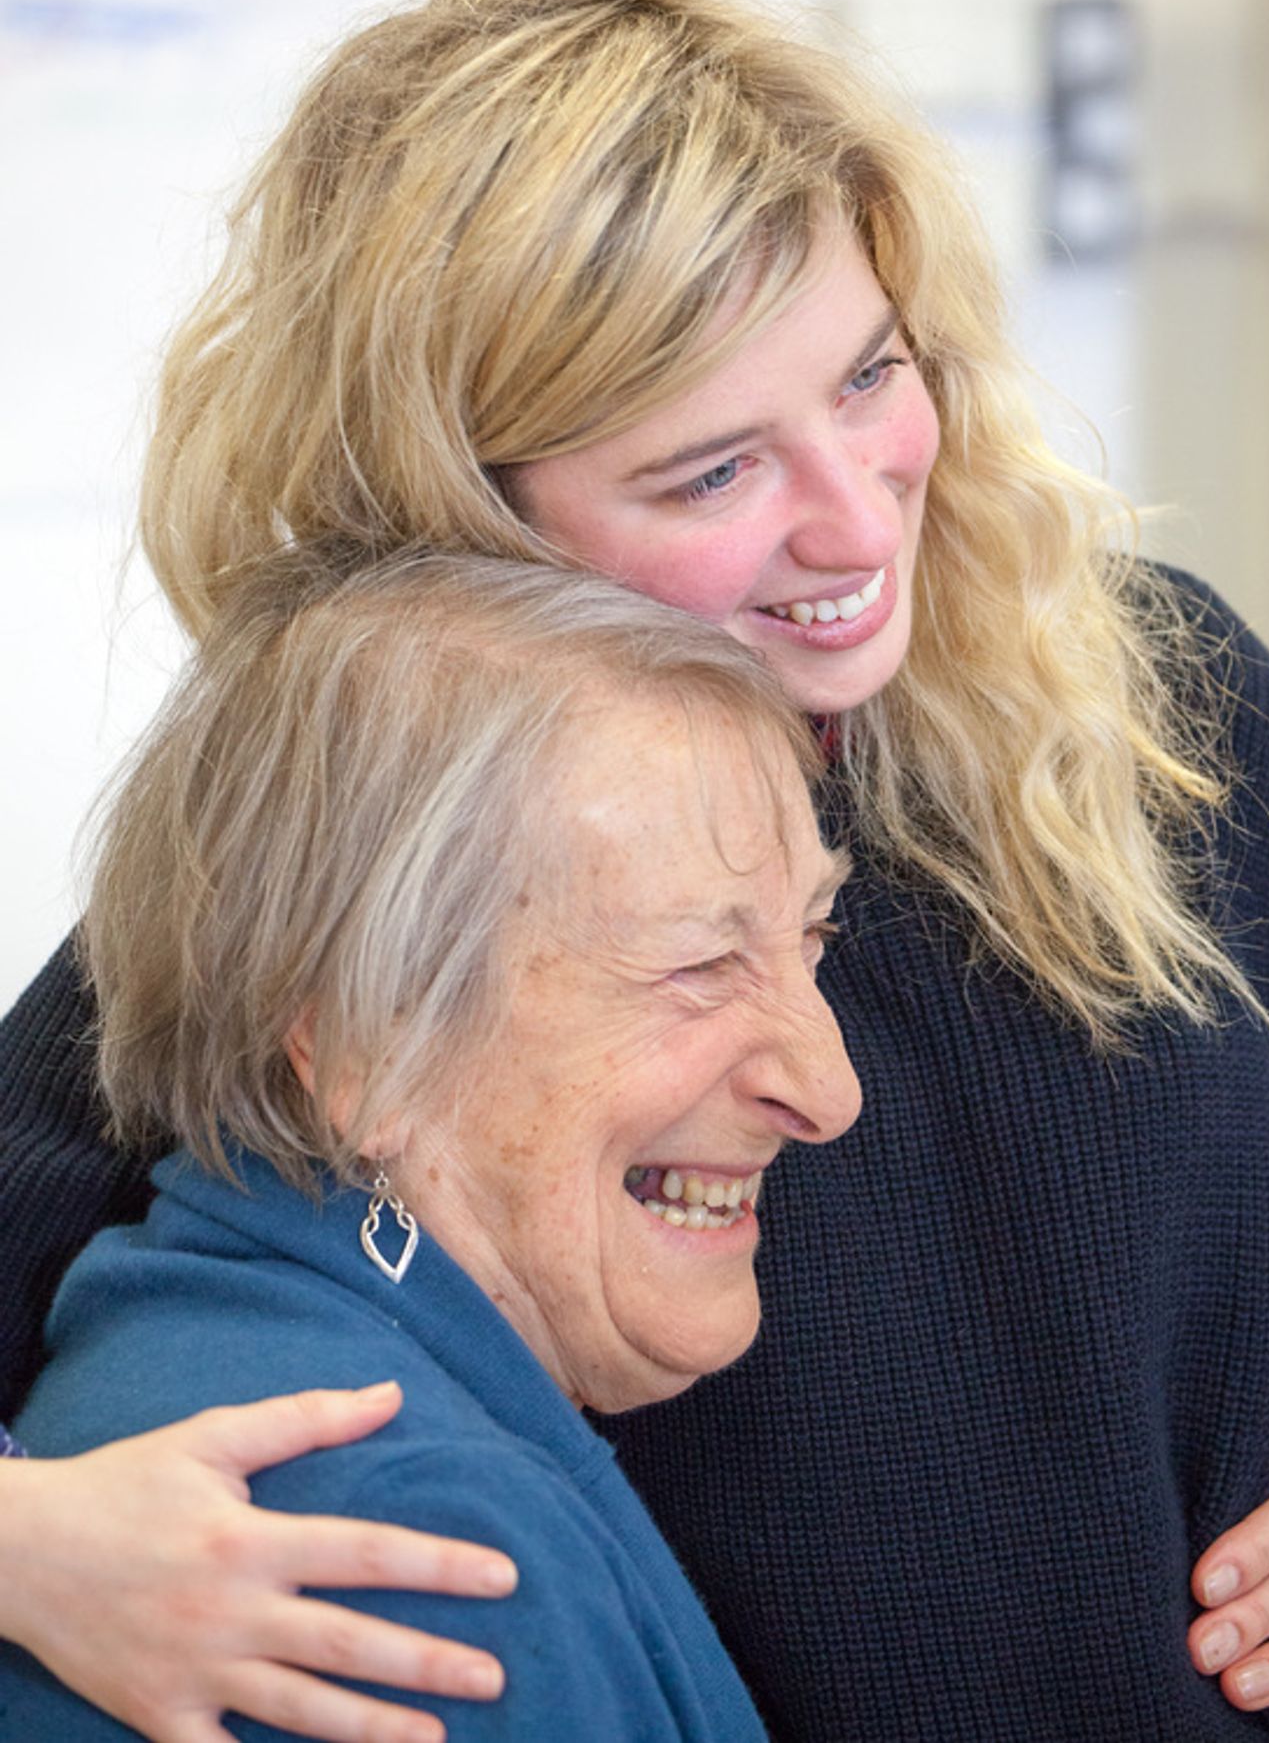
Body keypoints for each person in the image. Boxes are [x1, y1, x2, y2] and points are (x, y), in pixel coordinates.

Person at [2, 0, 1269, 1741]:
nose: (849, 516)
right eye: (710, 472)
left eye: (871, 376)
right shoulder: (362, 868)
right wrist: (32, 1547)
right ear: (464, 523)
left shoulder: (1169, 710)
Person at [0, 546, 860, 1739]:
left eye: (812, 934)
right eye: (698, 965)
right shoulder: (415, 1549)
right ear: (364, 1049)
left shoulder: (178, 1317)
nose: (830, 1090)